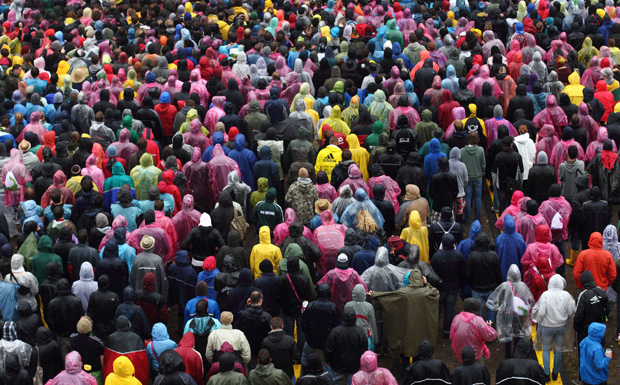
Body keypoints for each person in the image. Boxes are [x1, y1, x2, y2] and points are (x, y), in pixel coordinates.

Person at [532, 275, 576, 382]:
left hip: (547, 326)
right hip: (561, 326)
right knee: (558, 349)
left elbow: (541, 312)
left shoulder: (545, 295)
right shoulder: (566, 295)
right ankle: (555, 372)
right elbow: (571, 311)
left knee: (546, 349)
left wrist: (540, 320)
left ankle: (546, 373)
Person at [487, 265, 535, 359]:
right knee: (518, 332)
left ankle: (508, 354)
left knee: (507, 333)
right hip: (519, 313)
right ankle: (516, 352)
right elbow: (528, 300)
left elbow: (497, 299)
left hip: (507, 313)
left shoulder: (504, 285)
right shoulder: (523, 285)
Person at [323, 307, 368, 385]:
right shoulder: (360, 332)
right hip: (353, 365)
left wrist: (327, 360)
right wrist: (362, 364)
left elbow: (329, 348)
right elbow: (364, 350)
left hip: (336, 364)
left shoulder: (336, 331)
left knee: (332, 382)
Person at [575, 270, 609, 346]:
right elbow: (607, 308)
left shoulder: (583, 295)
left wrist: (577, 328)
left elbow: (578, 314)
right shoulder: (601, 291)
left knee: (584, 351)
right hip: (598, 327)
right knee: (598, 349)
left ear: (582, 282)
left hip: (585, 330)